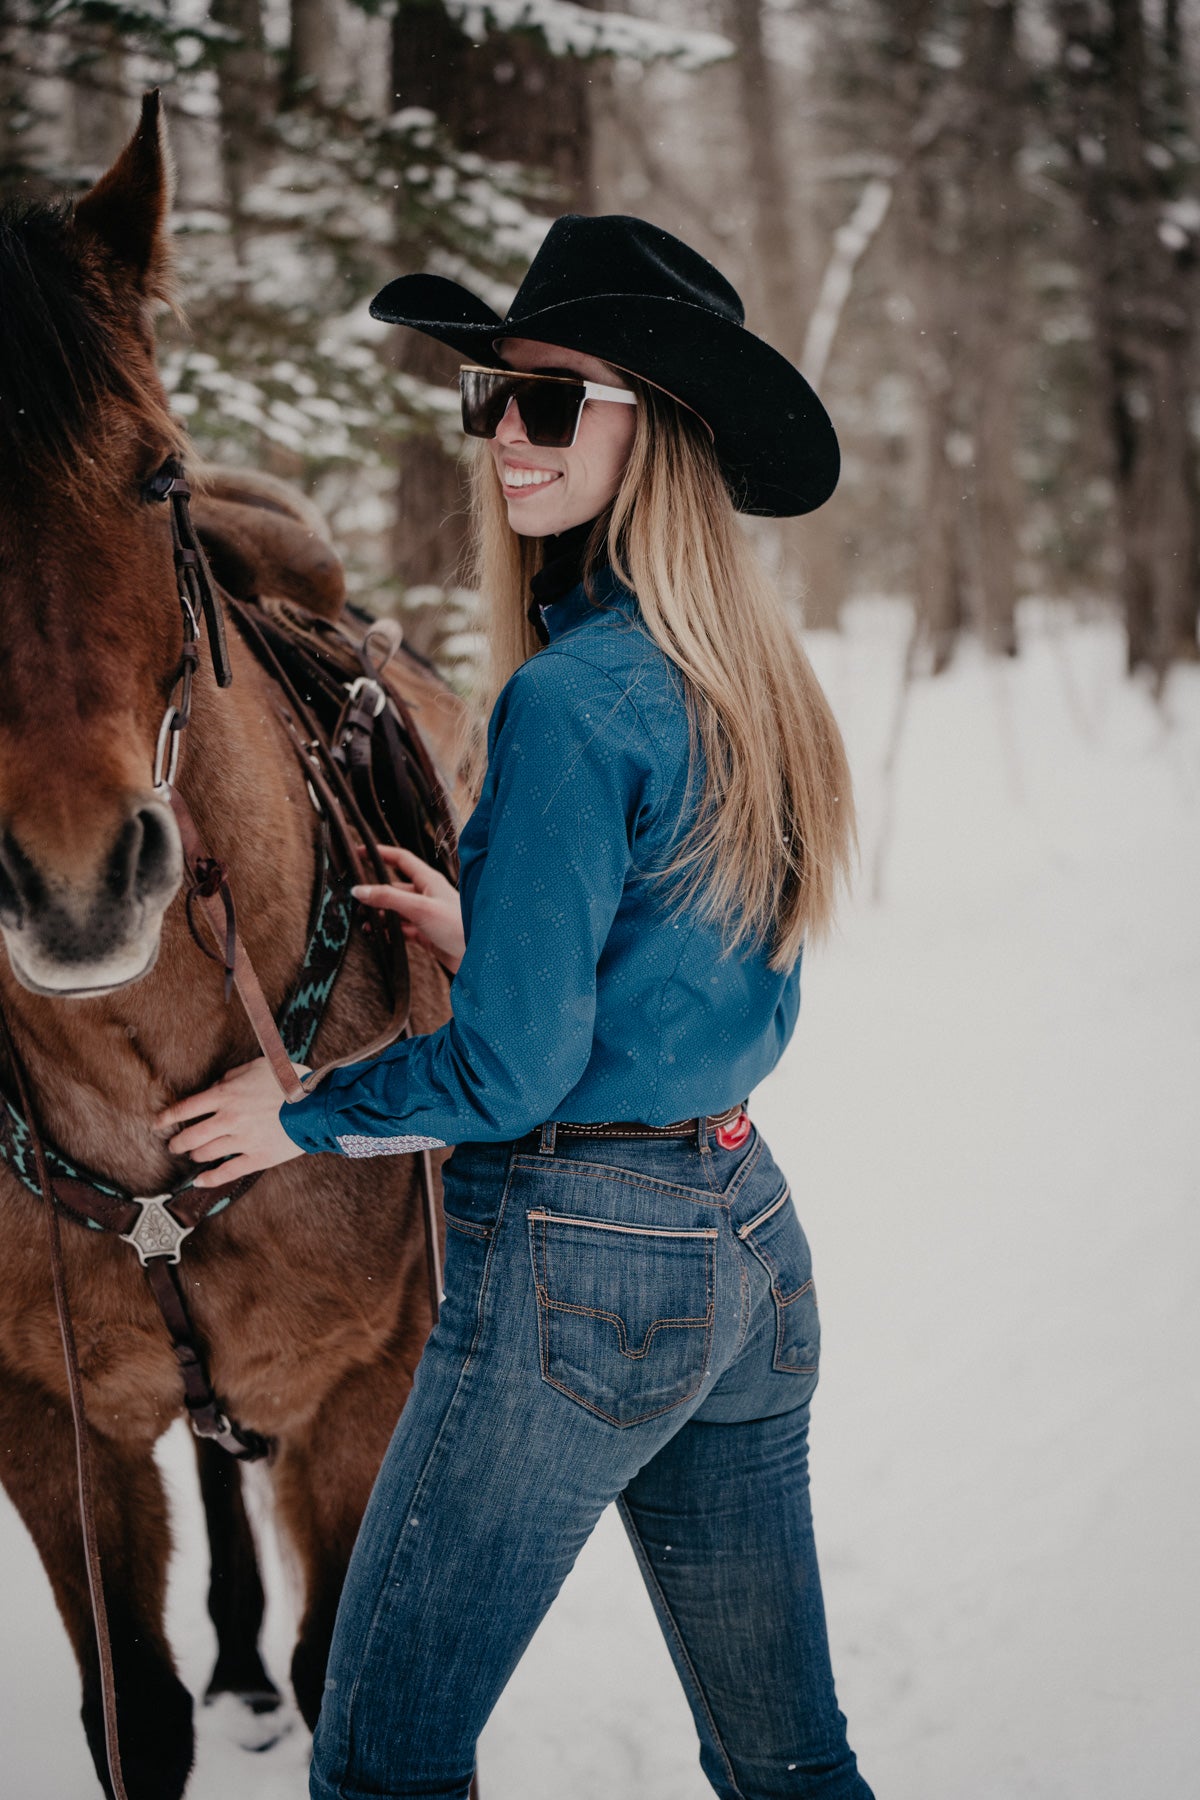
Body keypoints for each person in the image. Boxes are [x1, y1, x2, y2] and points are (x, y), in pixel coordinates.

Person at [157, 214, 873, 1800]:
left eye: (554, 403)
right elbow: (688, 962)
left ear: (659, 429)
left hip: (580, 1273)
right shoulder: (743, 673)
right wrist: (503, 930)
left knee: (383, 1762)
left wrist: (301, 1113)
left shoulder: (565, 698)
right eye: (493, 400)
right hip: (746, 1234)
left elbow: (514, 1072)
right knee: (787, 1758)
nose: (505, 441)